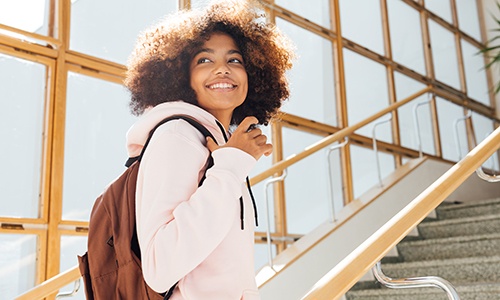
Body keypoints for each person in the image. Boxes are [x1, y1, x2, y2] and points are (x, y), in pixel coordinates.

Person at [124, 0, 295, 299]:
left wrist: (231, 162)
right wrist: (230, 167)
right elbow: (159, 266)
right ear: (181, 76)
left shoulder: (217, 143)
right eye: (204, 61)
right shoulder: (177, 136)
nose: (222, 70)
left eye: (235, 60)